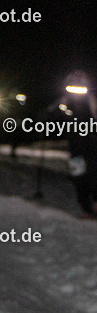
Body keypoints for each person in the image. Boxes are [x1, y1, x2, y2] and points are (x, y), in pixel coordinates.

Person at [53, 71, 97, 217]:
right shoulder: (65, 101)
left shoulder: (91, 100)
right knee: (79, 177)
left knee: (93, 175)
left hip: (92, 145)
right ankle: (85, 209)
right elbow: (54, 114)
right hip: (75, 147)